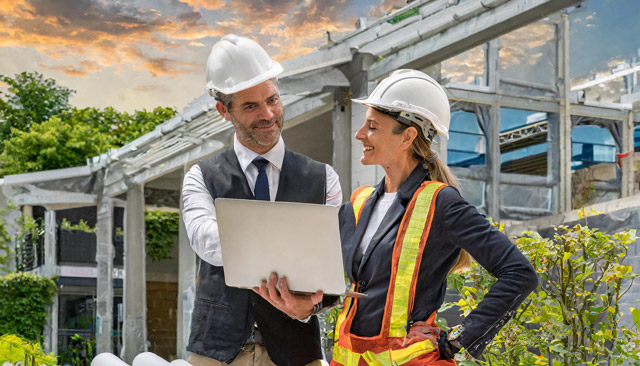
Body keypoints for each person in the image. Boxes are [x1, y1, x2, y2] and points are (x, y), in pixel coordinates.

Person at [255, 69, 538, 365]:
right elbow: (345, 285)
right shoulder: (360, 201)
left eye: (373, 127)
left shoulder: (441, 202)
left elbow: (519, 273)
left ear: (407, 137)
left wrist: (457, 340)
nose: (359, 134)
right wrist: (304, 304)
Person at [182, 34, 342, 366]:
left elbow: (334, 261)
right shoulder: (201, 176)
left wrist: (310, 306)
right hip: (218, 353)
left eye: (273, 99)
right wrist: (295, 243)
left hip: (296, 350)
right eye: (251, 106)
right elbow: (207, 242)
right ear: (224, 111)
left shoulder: (323, 177)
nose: (268, 113)